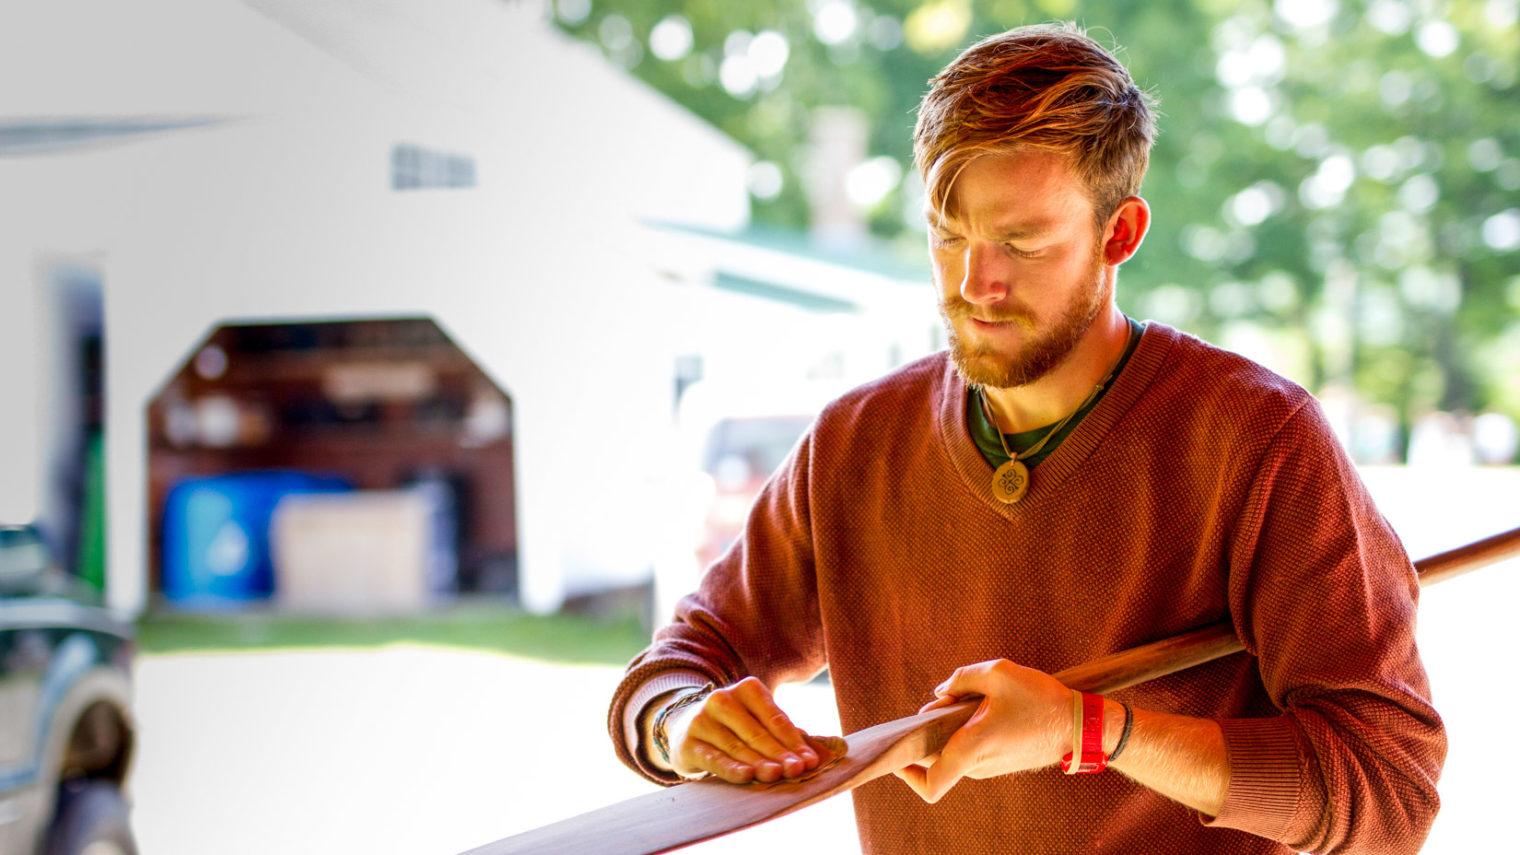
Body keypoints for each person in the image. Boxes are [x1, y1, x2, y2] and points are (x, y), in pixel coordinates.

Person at [608, 22, 1445, 855]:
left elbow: (1390, 790)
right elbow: (681, 663)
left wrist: (1089, 730)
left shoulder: (1256, 438)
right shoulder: (853, 445)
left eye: (1022, 241)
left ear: (1120, 234)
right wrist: (680, 720)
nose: (975, 283)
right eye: (948, 232)